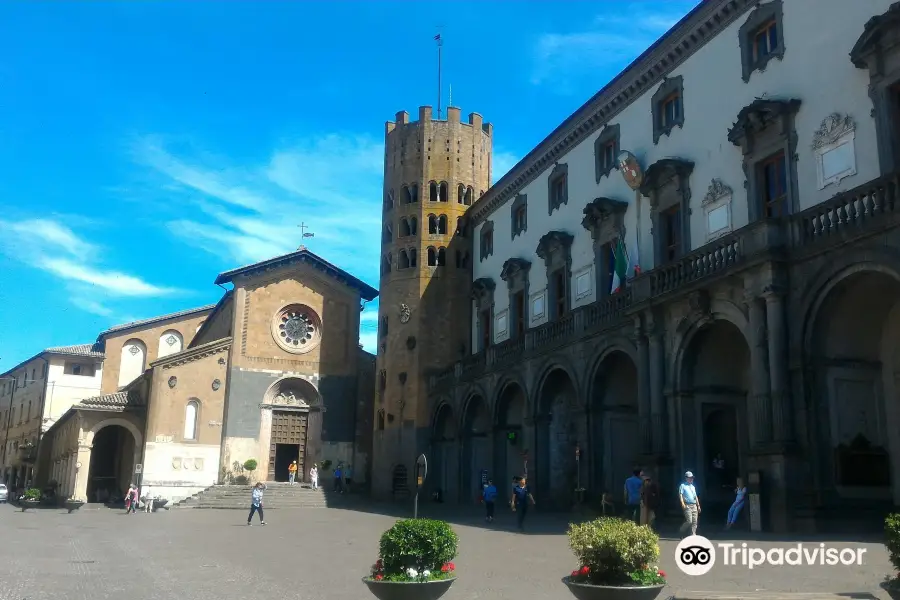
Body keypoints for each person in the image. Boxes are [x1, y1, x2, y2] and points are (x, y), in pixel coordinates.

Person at [678, 471, 701, 537]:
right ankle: (681, 530)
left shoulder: (693, 487)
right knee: (689, 521)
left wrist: (698, 505)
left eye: (692, 478)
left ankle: (693, 534)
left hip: (694, 505)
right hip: (687, 505)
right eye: (690, 478)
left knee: (695, 521)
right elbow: (680, 495)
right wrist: (682, 503)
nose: (691, 479)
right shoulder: (683, 485)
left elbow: (695, 496)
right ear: (686, 478)